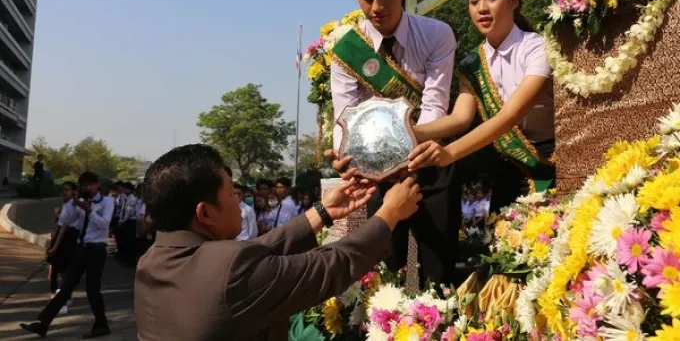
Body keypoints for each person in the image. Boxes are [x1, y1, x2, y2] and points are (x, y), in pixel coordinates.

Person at [134, 144, 422, 341]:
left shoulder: (151, 262)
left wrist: (322, 213)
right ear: (205, 213)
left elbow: (257, 251)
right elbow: (329, 265)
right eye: (231, 195)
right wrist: (390, 213)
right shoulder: (229, 270)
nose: (239, 201)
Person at [328, 0, 461, 286]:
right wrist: (344, 156)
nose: (376, 7)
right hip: (377, 173)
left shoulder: (436, 35)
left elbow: (434, 105)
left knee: (439, 270)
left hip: (429, 159)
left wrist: (407, 154)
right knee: (384, 272)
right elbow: (345, 116)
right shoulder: (346, 49)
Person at [407, 0, 555, 212]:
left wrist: (449, 152)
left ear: (514, 1)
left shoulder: (538, 47)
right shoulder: (472, 63)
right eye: (474, 1)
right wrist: (405, 133)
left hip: (551, 162)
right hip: (507, 166)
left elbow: (509, 115)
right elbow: (460, 119)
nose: (482, 8)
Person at [21, 172, 114, 338]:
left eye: (91, 184)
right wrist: (74, 203)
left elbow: (104, 224)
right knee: (65, 288)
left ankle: (102, 324)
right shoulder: (80, 202)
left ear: (97, 185)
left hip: (97, 249)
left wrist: (89, 211)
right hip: (81, 248)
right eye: (84, 185)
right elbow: (66, 220)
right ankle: (43, 323)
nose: (88, 188)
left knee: (92, 289)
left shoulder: (107, 202)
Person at [45, 181, 80, 315]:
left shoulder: (73, 206)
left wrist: (54, 247)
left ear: (74, 192)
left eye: (67, 190)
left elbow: (64, 228)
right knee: (56, 269)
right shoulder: (65, 205)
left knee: (64, 271)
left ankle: (64, 299)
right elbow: (59, 225)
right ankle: (58, 296)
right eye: (63, 190)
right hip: (61, 236)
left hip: (67, 239)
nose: (64, 192)